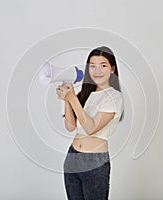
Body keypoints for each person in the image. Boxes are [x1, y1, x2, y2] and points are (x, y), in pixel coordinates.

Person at [56, 46, 124, 200]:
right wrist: (68, 99)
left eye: (103, 66)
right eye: (92, 66)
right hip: (72, 157)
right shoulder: (86, 93)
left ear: (112, 69)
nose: (97, 70)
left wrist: (72, 98)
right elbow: (71, 126)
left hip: (95, 162)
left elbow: (91, 128)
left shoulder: (114, 97)